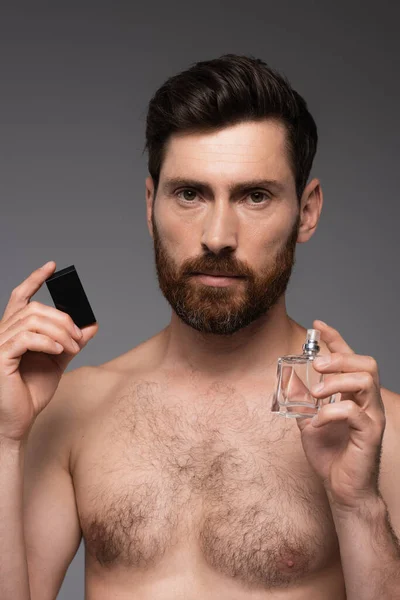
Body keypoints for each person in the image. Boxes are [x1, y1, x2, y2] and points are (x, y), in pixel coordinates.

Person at [0, 54, 399, 600]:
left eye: (254, 196)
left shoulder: (375, 430)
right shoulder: (71, 410)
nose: (216, 235)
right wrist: (3, 439)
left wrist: (358, 506)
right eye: (190, 194)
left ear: (306, 211)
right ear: (150, 204)